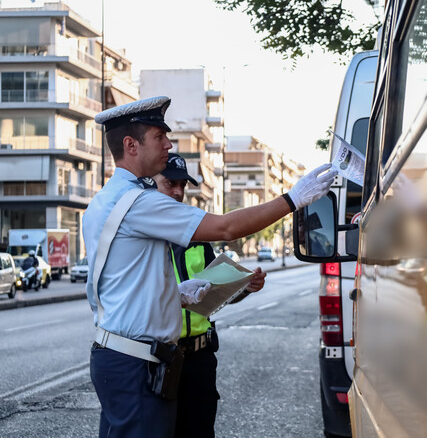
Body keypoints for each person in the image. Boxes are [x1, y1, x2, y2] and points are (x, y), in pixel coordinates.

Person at [83, 95, 337, 437]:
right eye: (159, 136)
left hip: (120, 359)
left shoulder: (105, 201)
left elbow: (124, 284)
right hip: (135, 364)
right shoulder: (139, 202)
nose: (169, 144)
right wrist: (293, 199)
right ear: (131, 145)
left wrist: (175, 293)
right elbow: (226, 227)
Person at [153, 153, 267, 438]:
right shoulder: (143, 236)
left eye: (182, 185)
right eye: (170, 183)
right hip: (158, 357)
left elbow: (214, 297)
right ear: (151, 183)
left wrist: (244, 288)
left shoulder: (198, 237)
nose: (178, 192)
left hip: (200, 358)